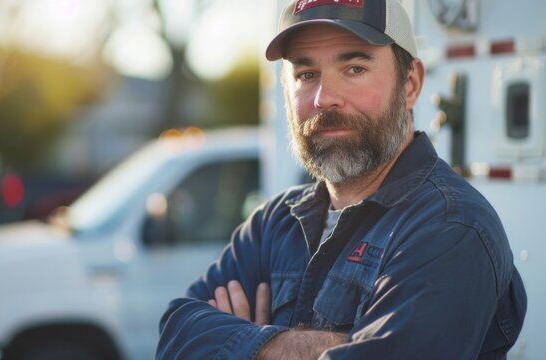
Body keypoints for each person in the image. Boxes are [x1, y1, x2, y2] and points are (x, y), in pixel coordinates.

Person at [157, 0, 527, 359]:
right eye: (306, 75)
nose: (324, 98)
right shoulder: (273, 224)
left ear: (410, 83)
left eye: (354, 68)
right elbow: (176, 334)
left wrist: (247, 343)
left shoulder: (450, 228)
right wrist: (303, 346)